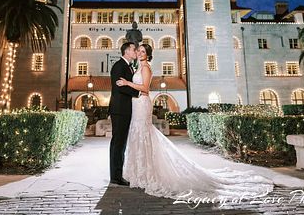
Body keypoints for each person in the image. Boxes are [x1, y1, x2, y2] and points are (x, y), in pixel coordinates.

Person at [116, 44, 274, 200]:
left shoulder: (146, 68)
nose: (140, 53)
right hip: (135, 104)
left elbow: (145, 88)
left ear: (148, 55)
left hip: (142, 103)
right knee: (138, 134)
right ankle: (138, 172)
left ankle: (147, 174)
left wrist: (127, 83)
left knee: (143, 134)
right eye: (139, 50)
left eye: (143, 51)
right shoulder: (137, 67)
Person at [108, 42, 140, 186]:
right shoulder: (118, 66)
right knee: (118, 143)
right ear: (127, 51)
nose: (136, 51)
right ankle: (115, 176)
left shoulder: (127, 66)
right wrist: (138, 92)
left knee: (121, 143)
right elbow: (120, 87)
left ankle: (117, 174)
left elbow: (126, 85)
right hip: (120, 110)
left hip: (124, 109)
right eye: (134, 49)